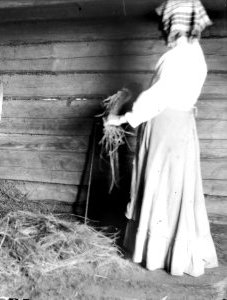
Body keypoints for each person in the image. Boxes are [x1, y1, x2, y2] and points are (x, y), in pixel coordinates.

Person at [105, 0, 218, 276]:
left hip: (165, 127)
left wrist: (123, 118)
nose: (162, 30)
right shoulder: (197, 55)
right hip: (183, 126)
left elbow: (157, 96)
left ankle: (156, 255)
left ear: (174, 24)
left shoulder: (176, 56)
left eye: (165, 24)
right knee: (176, 185)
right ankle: (174, 252)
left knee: (160, 182)